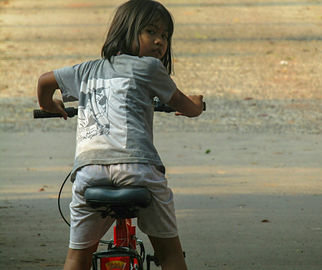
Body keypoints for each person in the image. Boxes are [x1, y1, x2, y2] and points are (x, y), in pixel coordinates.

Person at [36, 0, 203, 269]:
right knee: (169, 254)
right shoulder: (150, 68)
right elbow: (185, 105)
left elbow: (45, 80)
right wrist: (196, 105)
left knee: (77, 258)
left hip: (90, 173)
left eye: (165, 36)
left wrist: (48, 105)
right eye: (151, 32)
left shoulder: (86, 70)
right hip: (138, 170)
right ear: (127, 30)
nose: (160, 41)